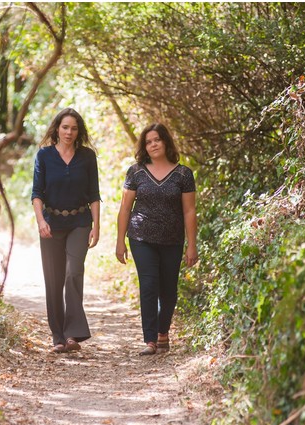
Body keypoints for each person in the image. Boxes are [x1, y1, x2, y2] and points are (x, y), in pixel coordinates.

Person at [116, 123, 198, 355]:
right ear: (144, 146)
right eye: (148, 141)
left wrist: (192, 245)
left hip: (172, 239)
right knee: (149, 284)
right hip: (141, 237)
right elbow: (125, 208)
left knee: (169, 289)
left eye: (157, 140)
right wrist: (120, 241)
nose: (153, 144)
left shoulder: (183, 174)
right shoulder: (136, 172)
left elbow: (189, 211)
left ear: (165, 142)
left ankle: (164, 332)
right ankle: (150, 339)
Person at [31, 108, 101, 353]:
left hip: (80, 223)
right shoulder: (44, 156)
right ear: (57, 129)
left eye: (74, 128)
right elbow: (37, 193)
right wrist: (41, 221)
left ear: (78, 131)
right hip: (51, 224)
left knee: (73, 273)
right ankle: (58, 337)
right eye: (65, 127)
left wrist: (96, 226)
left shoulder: (87, 157)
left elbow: (94, 195)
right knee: (54, 280)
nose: (69, 132)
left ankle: (73, 334)